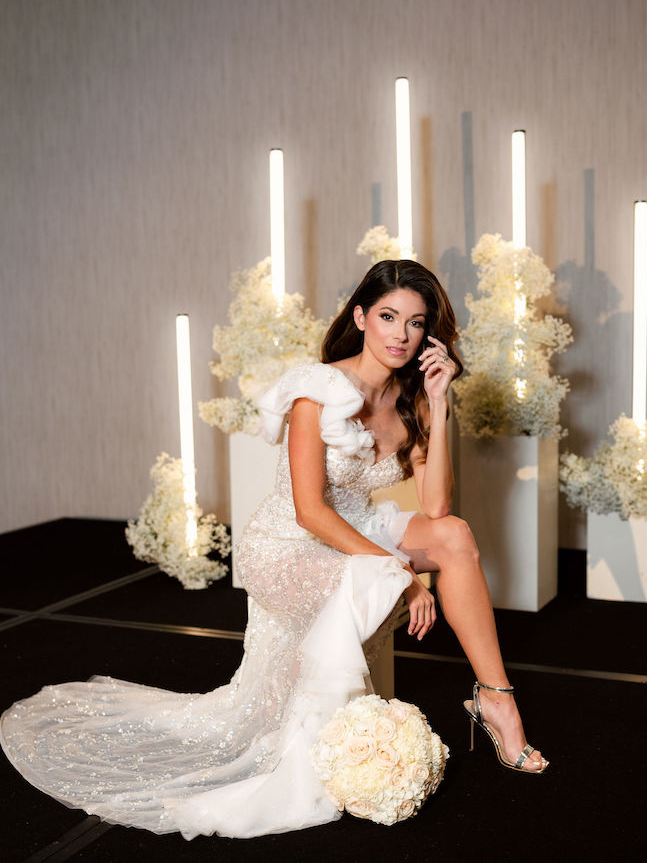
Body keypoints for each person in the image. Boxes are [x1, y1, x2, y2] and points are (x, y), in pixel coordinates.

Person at [0, 259, 546, 842]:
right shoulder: (317, 392)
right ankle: (330, 750)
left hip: (358, 528)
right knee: (369, 580)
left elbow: (437, 509)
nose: (400, 335)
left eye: (415, 323)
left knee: (456, 535)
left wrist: (439, 403)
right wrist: (401, 573)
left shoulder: (412, 397)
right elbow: (311, 511)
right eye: (387, 316)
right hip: (289, 544)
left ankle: (496, 700)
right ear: (360, 317)